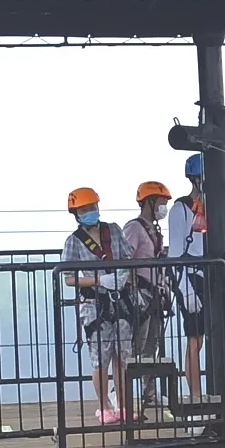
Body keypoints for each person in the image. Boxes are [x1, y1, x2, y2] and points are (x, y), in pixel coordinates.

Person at [61, 187, 135, 424]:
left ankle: (123, 405)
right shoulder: (74, 242)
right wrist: (98, 281)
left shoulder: (113, 231)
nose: (90, 212)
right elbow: (68, 277)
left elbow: (128, 257)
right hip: (94, 303)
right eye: (84, 209)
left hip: (120, 300)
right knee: (100, 357)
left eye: (92, 207)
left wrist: (122, 276)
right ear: (76, 213)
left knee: (122, 355)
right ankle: (104, 407)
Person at [123, 181, 172, 408]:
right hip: (140, 295)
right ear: (149, 202)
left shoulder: (153, 230)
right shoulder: (134, 229)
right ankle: (121, 392)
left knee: (152, 345)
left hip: (155, 294)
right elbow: (125, 259)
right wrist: (131, 287)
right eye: (161, 202)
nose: (163, 207)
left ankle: (149, 393)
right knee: (136, 345)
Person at [167, 154, 208, 402]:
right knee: (195, 340)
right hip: (189, 277)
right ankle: (195, 396)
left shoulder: (215, 208)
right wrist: (185, 290)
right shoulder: (180, 209)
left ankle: (203, 394)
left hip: (209, 276)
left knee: (203, 339)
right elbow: (174, 253)